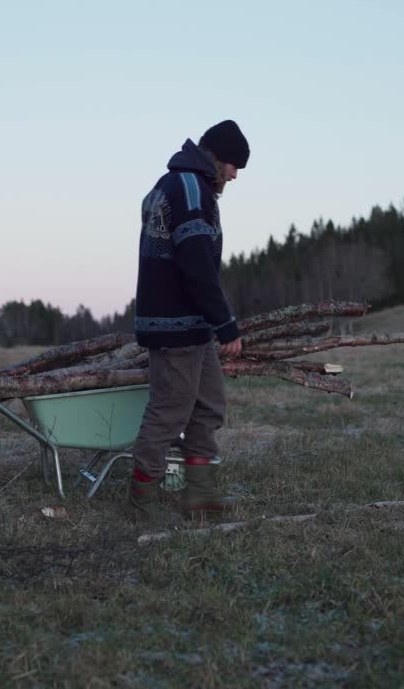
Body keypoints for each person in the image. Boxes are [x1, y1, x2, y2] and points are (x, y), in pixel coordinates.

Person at [128, 119, 250, 525]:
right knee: (170, 410)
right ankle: (142, 501)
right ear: (215, 156)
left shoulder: (179, 184)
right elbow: (196, 262)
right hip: (176, 323)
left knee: (208, 404)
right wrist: (225, 323)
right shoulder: (189, 187)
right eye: (234, 165)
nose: (234, 175)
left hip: (189, 323)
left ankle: (199, 495)